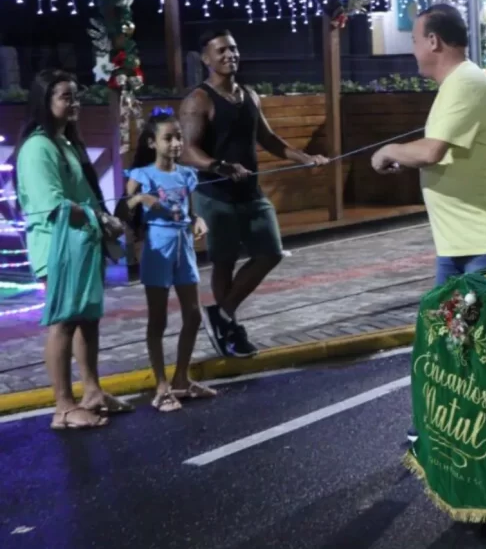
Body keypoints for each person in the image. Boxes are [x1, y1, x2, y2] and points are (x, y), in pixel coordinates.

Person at [179, 30, 329, 359]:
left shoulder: (249, 95)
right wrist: (219, 166)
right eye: (220, 51)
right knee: (224, 263)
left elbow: (269, 139)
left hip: (251, 192)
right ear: (206, 59)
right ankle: (230, 327)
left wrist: (305, 158)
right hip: (215, 194)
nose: (229, 54)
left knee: (270, 252)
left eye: (233, 48)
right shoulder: (198, 100)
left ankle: (221, 314)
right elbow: (186, 151)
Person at [370, 3, 486, 286]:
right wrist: (407, 160)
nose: (413, 51)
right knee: (446, 328)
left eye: (414, 42)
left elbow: (431, 151)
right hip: (460, 243)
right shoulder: (457, 83)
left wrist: (388, 150)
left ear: (433, 41)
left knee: (479, 329)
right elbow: (445, 151)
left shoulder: (465, 82)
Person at [15, 69, 132, 429]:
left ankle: (92, 391)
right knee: (64, 323)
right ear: (45, 102)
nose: (74, 103)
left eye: (75, 96)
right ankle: (63, 407)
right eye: (66, 97)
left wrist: (101, 221)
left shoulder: (65, 143)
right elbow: (54, 205)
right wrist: (101, 217)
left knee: (87, 319)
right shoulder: (38, 147)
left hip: (82, 244)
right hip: (58, 247)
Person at [117, 109, 216, 413]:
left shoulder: (186, 175)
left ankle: (181, 379)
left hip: (183, 246)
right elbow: (121, 209)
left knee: (193, 315)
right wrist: (142, 200)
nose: (175, 143)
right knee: (157, 319)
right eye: (168, 138)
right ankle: (161, 385)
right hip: (157, 247)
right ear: (152, 142)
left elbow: (189, 210)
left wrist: (198, 220)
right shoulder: (142, 175)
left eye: (178, 137)